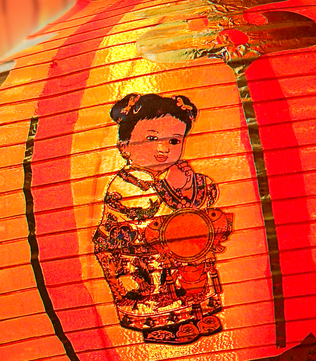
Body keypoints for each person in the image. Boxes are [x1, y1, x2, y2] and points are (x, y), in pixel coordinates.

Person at [91, 92, 233, 345]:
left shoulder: (178, 173)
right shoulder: (125, 183)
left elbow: (207, 196)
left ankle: (197, 315)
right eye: (152, 138)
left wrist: (189, 185)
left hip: (175, 247)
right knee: (154, 291)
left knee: (193, 277)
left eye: (174, 141)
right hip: (136, 253)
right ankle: (160, 327)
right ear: (124, 147)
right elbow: (144, 213)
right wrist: (176, 189)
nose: (163, 148)